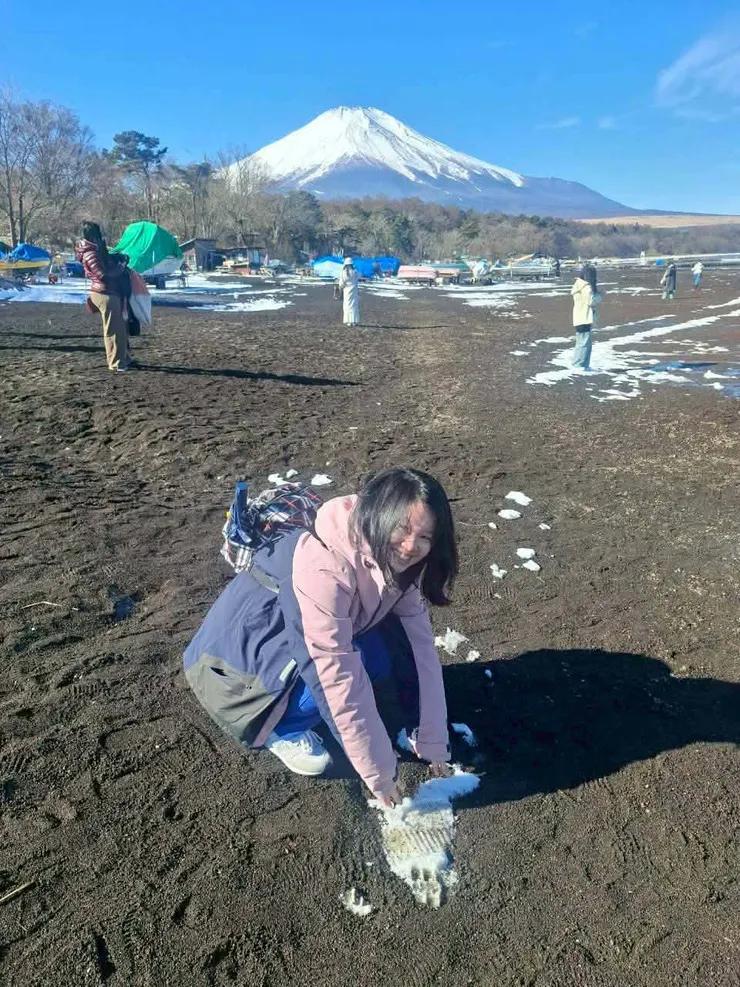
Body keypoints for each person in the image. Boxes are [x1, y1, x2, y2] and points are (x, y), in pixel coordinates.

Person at [183, 467, 458, 807]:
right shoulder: (324, 565)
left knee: (380, 653)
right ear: (378, 515)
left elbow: (422, 651)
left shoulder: (395, 563)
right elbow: (334, 675)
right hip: (231, 674)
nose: (410, 546)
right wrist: (380, 775)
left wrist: (433, 740)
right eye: (402, 529)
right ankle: (282, 729)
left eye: (426, 537)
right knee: (351, 667)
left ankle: (311, 715)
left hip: (283, 646)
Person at [75, 221, 134, 372]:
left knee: (120, 328)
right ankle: (116, 362)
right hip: (104, 292)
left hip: (109, 291)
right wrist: (120, 267)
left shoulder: (95, 250)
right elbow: (103, 275)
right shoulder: (90, 253)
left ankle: (124, 358)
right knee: (114, 329)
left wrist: (116, 259)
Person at [570, 263, 600, 370]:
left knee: (582, 343)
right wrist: (599, 295)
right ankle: (579, 366)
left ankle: (582, 366)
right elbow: (591, 301)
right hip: (584, 317)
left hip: (578, 317)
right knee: (584, 344)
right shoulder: (586, 286)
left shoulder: (578, 284)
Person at [338, 257, 360, 326]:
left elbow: (341, 283)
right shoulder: (355, 272)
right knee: (354, 305)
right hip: (354, 291)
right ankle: (354, 321)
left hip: (347, 291)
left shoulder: (343, 272)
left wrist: (341, 287)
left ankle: (348, 321)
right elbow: (359, 277)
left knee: (347, 305)